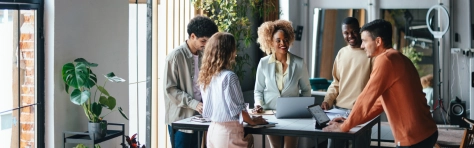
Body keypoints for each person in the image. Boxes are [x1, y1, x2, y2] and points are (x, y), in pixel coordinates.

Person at [323, 19, 438, 148]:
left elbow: (366, 98)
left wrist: (344, 127)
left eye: (365, 41)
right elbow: (378, 103)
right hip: (425, 132)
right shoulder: (396, 57)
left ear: (378, 41)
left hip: (414, 137)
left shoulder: (385, 60)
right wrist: (350, 121)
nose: (362, 46)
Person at [199, 32, 267, 148]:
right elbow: (238, 109)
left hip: (213, 131)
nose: (235, 53)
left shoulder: (206, 76)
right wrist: (253, 121)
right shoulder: (229, 77)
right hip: (228, 133)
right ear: (228, 52)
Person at [254, 19, 312, 148]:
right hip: (270, 114)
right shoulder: (263, 63)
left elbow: (306, 89)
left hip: (292, 115)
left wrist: (302, 109)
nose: (283, 43)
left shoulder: (299, 63)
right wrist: (258, 105)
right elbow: (258, 90)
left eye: (285, 39)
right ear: (271, 42)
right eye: (278, 40)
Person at [163, 15, 218, 148]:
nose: (206, 45)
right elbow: (170, 89)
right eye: (203, 41)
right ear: (192, 36)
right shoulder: (175, 56)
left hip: (200, 117)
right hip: (181, 118)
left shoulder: (204, 55)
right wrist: (194, 104)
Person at [321, 17, 372, 148]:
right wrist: (328, 100)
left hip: (360, 112)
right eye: (346, 33)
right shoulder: (341, 53)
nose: (350, 36)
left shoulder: (370, 54)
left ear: (360, 30)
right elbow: (336, 82)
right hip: (338, 110)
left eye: (354, 31)